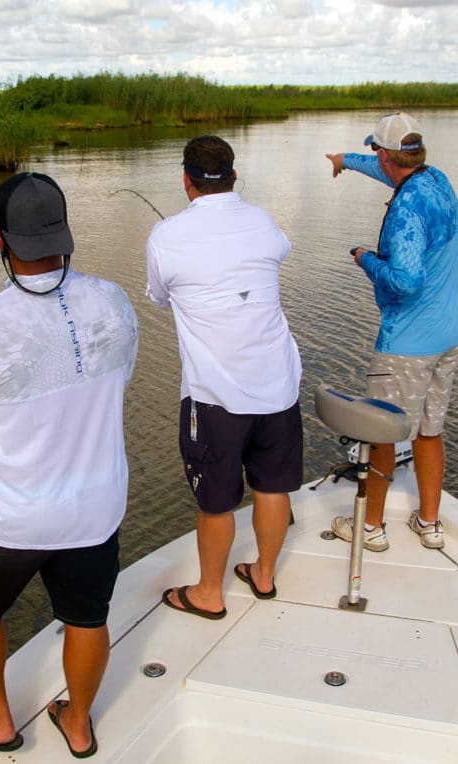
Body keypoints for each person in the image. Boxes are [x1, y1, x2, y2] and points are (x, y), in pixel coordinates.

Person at [0, 172, 138, 757]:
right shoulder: (114, 301)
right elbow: (119, 378)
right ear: (65, 234)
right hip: (96, 511)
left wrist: (0, 460)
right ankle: (78, 724)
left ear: (1, 241)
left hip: (9, 518)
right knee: (86, 617)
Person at [146, 135, 304, 619]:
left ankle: (209, 594)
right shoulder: (264, 222)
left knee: (215, 502)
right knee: (272, 487)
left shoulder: (166, 236)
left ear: (186, 181)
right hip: (278, 385)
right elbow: (277, 255)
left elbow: (158, 295)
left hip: (214, 398)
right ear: (235, 177)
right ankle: (264, 574)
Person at [324, 112, 458, 551]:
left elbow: (405, 280)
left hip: (407, 343)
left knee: (381, 432)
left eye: (374, 152)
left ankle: (370, 528)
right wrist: (344, 159)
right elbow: (385, 171)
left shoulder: (407, 207)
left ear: (386, 155)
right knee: (429, 430)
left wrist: (364, 257)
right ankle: (428, 522)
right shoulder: (435, 181)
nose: (375, 160)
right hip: (449, 333)